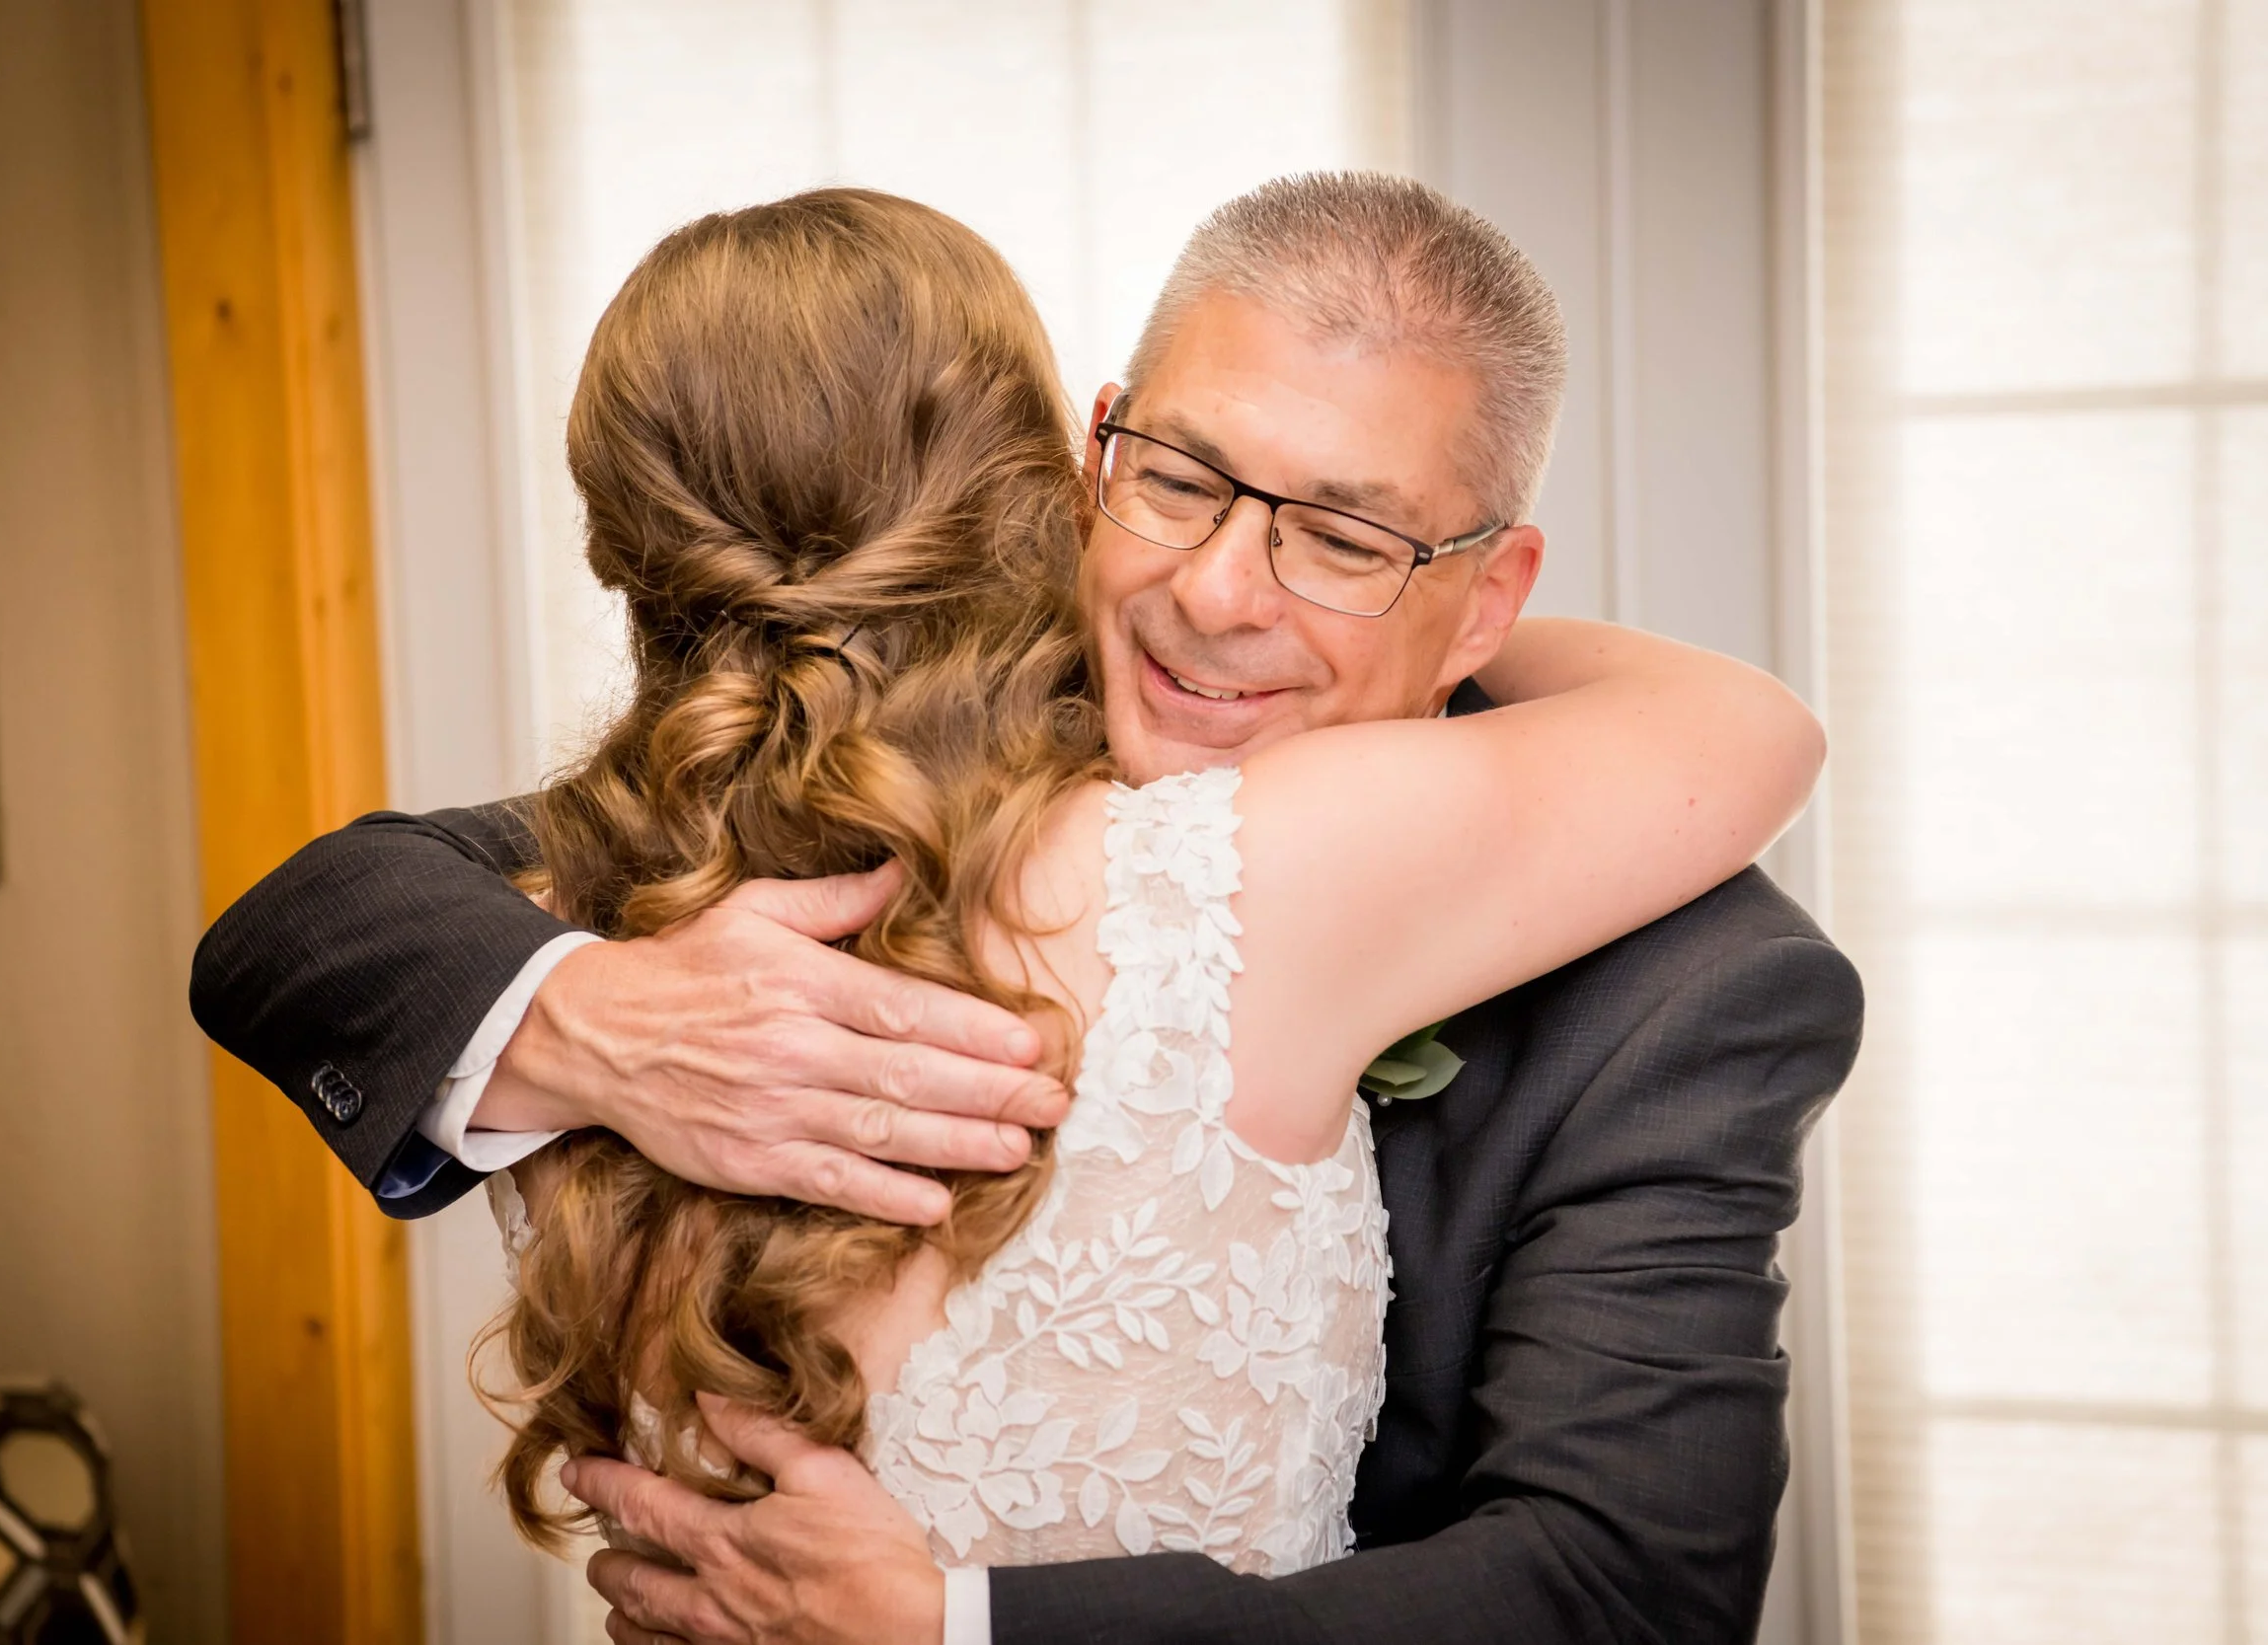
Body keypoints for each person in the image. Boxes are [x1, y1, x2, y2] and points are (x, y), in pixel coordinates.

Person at [191, 173, 1864, 1645]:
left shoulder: (1687, 984)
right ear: (1079, 463)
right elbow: (309, 923)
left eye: (1347, 537)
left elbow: (1623, 1597)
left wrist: (961, 1629)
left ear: (1489, 594)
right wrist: (579, 1016)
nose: (1217, 592)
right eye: (1181, 477)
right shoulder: (687, 887)